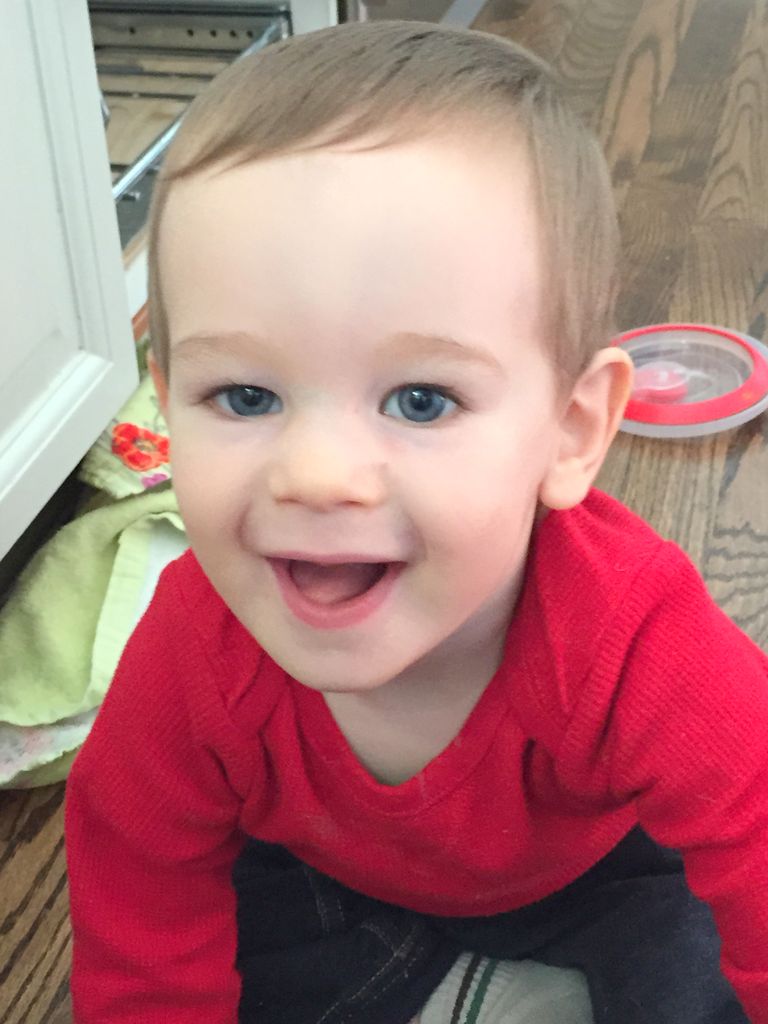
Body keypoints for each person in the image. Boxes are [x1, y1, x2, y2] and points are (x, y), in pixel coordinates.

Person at [64, 20, 768, 1024]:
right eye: (247, 397)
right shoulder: (193, 654)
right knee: (219, 934)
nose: (318, 476)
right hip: (331, 878)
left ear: (571, 432)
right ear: (168, 402)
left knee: (692, 959)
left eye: (421, 401)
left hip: (599, 882)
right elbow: (138, 898)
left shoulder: (634, 638)